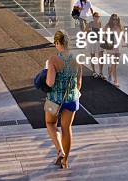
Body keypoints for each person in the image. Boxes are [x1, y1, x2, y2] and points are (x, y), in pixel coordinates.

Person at [44, 30, 82, 169]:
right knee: (66, 128)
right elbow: (79, 84)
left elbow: (49, 82)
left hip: (54, 99)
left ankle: (60, 150)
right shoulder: (77, 58)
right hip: (72, 98)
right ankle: (65, 161)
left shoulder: (53, 60)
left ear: (57, 43)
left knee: (50, 123)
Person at [104, 13, 123, 87]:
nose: (115, 20)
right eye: (113, 19)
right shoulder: (108, 25)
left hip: (118, 46)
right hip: (111, 46)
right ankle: (115, 80)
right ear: (111, 19)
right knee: (114, 64)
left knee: (116, 63)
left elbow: (122, 34)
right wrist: (108, 41)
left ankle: (110, 69)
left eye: (116, 19)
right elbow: (103, 34)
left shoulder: (119, 26)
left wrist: (126, 42)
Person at [88, 12, 104, 79]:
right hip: (92, 41)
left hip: (99, 41)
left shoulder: (100, 23)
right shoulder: (90, 23)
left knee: (101, 57)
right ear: (93, 17)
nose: (97, 17)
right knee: (93, 57)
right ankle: (94, 71)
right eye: (96, 16)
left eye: (98, 16)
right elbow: (85, 30)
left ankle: (101, 72)